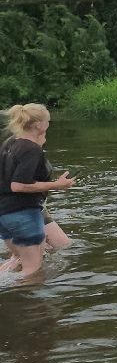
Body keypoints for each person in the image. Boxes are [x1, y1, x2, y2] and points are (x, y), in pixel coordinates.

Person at [1, 104, 75, 278]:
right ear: (38, 124)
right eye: (48, 121)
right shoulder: (30, 149)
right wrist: (58, 185)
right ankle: (28, 303)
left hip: (5, 213)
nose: (49, 124)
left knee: (21, 259)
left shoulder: (9, 144)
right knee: (33, 271)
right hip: (23, 212)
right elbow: (18, 185)